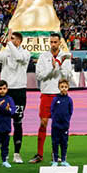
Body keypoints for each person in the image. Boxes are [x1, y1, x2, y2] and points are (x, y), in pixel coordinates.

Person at [0, 31, 31, 164]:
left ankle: (16, 153)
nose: (10, 40)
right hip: (5, 91)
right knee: (0, 121)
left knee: (17, 122)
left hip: (19, 91)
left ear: (19, 41)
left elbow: (18, 57)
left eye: (12, 38)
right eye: (10, 38)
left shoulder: (25, 53)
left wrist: (9, 43)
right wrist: (0, 45)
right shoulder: (6, 51)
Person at [33, 34, 74, 163]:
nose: (53, 44)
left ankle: (55, 154)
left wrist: (60, 64)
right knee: (43, 123)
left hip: (59, 95)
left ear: (60, 42)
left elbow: (68, 75)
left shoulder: (65, 57)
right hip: (46, 93)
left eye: (55, 42)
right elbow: (39, 76)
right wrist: (52, 67)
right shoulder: (43, 57)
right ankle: (39, 154)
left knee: (58, 126)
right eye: (51, 42)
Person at [49, 79, 74, 166]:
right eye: (62, 87)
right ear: (59, 87)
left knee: (64, 143)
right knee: (55, 143)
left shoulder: (69, 100)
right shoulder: (55, 99)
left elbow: (71, 111)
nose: (64, 89)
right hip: (56, 126)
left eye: (65, 87)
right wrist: (55, 119)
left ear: (68, 88)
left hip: (65, 126)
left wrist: (66, 120)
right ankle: (55, 160)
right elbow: (52, 110)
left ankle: (63, 160)